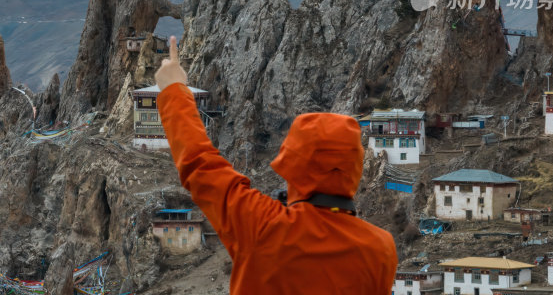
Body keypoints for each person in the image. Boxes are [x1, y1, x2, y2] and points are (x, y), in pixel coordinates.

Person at [155, 36, 398, 294]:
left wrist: (173, 89)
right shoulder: (381, 249)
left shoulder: (263, 227)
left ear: (293, 165)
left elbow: (199, 163)